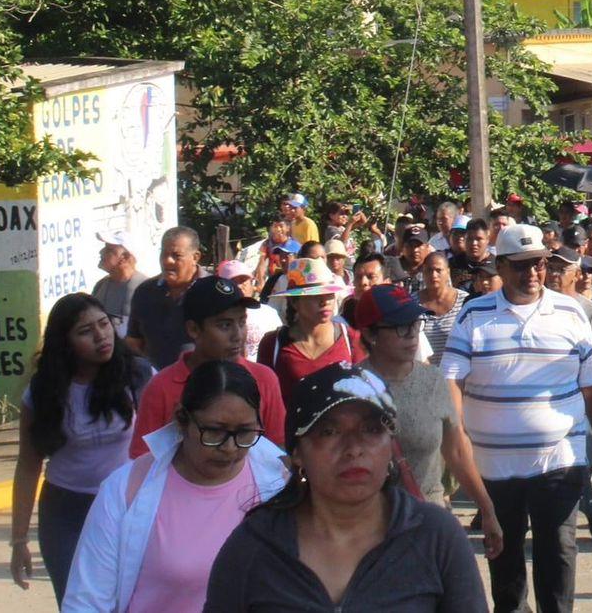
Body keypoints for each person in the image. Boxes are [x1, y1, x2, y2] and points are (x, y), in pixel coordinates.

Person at [204, 364, 487, 611]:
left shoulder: (436, 537)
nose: (353, 449)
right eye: (329, 432)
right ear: (297, 452)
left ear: (391, 444)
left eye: (371, 430)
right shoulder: (255, 546)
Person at [442, 224, 592, 613]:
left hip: (559, 461)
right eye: (520, 265)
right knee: (505, 564)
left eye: (538, 263)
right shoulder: (473, 314)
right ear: (500, 267)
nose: (532, 273)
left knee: (558, 552)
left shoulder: (572, 312)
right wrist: (457, 438)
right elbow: (451, 380)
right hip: (494, 467)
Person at [65, 360, 289, 612]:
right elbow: (86, 602)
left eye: (245, 432)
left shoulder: (280, 482)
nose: (230, 448)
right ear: (182, 419)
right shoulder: (124, 490)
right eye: (214, 432)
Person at [9, 295, 153, 605]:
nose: (101, 336)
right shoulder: (43, 390)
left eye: (104, 324)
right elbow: (28, 465)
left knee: (130, 602)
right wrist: (19, 539)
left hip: (128, 507)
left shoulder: (138, 374)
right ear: (65, 342)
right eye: (85, 331)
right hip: (66, 512)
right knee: (77, 603)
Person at [353, 284, 502, 552]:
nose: (411, 334)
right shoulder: (351, 388)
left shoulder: (432, 380)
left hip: (427, 522)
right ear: (369, 333)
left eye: (415, 323)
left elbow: (456, 450)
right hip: (368, 531)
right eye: (400, 326)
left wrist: (487, 508)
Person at [129, 276, 287, 457]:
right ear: (194, 329)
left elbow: (278, 449)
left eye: (242, 322)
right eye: (225, 325)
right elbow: (142, 459)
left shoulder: (264, 378)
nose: (238, 335)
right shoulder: (161, 387)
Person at [543, 243, 592, 540]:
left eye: (562, 269)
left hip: (586, 398)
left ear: (576, 273)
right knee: (559, 464)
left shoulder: (590, 310)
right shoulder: (539, 305)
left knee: (584, 460)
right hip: (550, 401)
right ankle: (565, 522)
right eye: (552, 267)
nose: (555, 274)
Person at [257, 256, 363, 403]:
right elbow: (264, 401)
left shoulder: (352, 339)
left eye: (329, 295)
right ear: (294, 302)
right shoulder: (272, 344)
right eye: (316, 296)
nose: (325, 302)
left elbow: (364, 395)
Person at [125, 227, 205, 369]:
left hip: (204, 383)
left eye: (176, 255)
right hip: (158, 385)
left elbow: (233, 343)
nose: (168, 261)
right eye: (164, 254)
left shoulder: (212, 292)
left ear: (195, 257)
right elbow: (133, 341)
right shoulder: (145, 292)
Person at [215, 260, 284, 362]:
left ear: (252, 283)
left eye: (243, 280)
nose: (239, 286)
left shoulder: (269, 313)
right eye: (233, 282)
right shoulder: (215, 316)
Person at [417, 250, 468, 360]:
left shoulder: (465, 301)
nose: (433, 275)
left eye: (438, 270)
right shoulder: (412, 303)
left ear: (448, 272)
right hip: (422, 373)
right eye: (429, 270)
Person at [91, 242, 148, 340]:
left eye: (109, 250)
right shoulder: (100, 286)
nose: (101, 252)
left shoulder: (145, 289)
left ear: (124, 258)